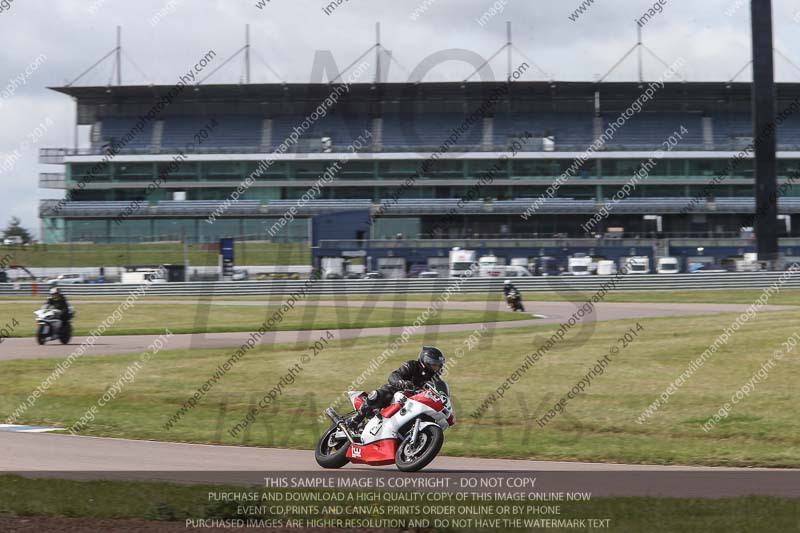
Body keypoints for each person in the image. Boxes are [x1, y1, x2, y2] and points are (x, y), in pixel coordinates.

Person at [349, 346, 447, 429]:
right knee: (377, 394)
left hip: (414, 403)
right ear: (425, 361)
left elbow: (441, 394)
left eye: (438, 365)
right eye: (434, 364)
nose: (436, 367)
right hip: (398, 394)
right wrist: (401, 383)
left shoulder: (435, 380)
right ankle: (355, 420)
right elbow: (393, 375)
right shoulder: (412, 365)